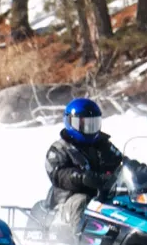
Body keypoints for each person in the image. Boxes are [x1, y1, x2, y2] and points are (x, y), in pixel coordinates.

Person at [43, 97, 125, 235]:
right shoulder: (59, 149)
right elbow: (59, 174)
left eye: (93, 124)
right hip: (65, 204)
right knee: (82, 201)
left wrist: (144, 173)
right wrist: (82, 177)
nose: (89, 129)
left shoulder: (104, 146)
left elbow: (122, 162)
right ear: (71, 122)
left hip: (102, 197)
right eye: (84, 124)